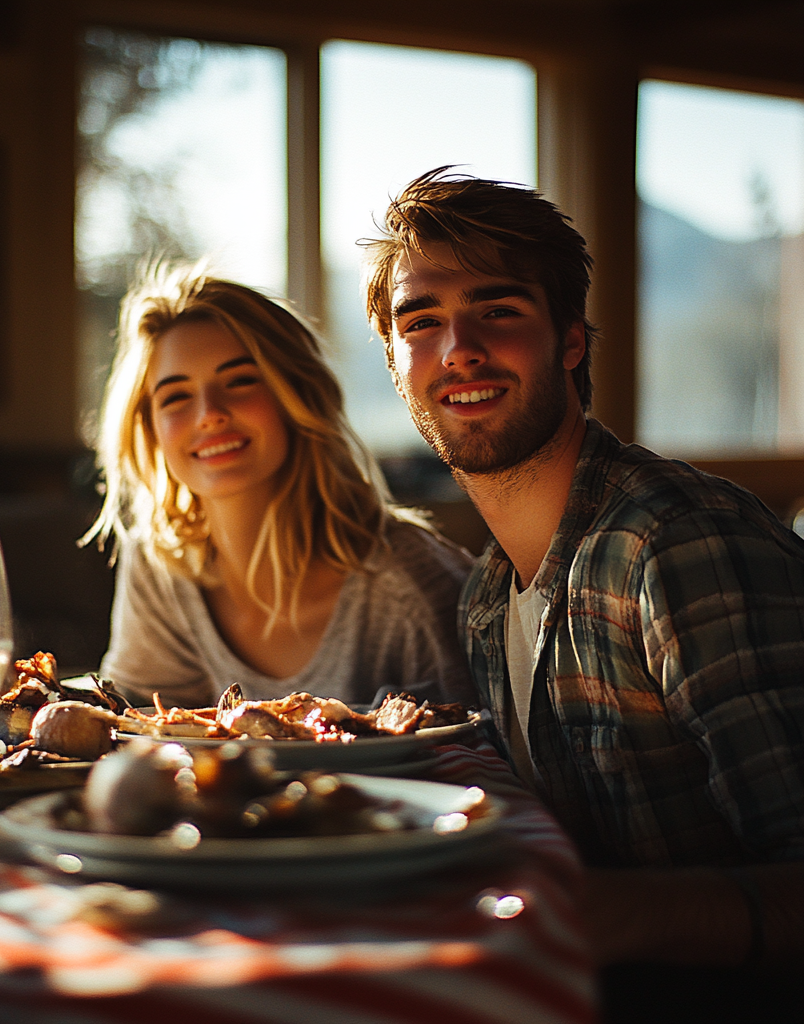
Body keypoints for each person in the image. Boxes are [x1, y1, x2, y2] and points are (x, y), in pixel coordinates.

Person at [362, 168, 804, 994]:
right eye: (422, 322)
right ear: (394, 362)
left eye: (498, 310)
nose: (459, 347)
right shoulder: (488, 596)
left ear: (571, 339)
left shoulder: (674, 544)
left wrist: (605, 913)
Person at [85, 262, 475, 711]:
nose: (209, 412)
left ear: (297, 395)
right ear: (149, 427)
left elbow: (477, 756)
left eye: (240, 381)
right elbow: (137, 731)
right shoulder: (160, 569)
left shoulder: (408, 584)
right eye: (176, 396)